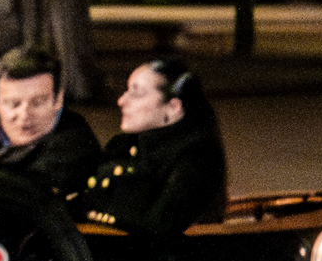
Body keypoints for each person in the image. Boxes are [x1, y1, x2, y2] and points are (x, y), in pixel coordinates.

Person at [94, 56, 228, 238]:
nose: (121, 101)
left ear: (173, 107)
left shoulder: (197, 156)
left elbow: (158, 226)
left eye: (137, 94)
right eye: (126, 91)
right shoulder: (126, 145)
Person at [0, 47, 103, 210]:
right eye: (13, 104)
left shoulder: (74, 151)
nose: (25, 114)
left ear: (58, 100)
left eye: (37, 103)